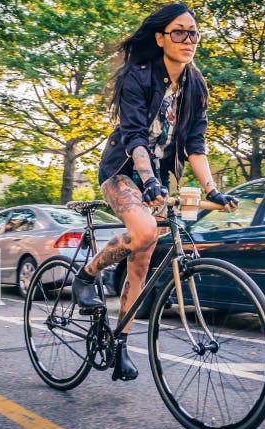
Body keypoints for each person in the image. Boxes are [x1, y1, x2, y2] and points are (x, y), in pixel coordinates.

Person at [72, 2, 238, 382]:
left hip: (158, 177)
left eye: (193, 32)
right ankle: (86, 275)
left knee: (142, 259)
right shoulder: (139, 74)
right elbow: (133, 135)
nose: (188, 39)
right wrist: (147, 180)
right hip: (122, 170)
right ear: (161, 37)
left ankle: (120, 346)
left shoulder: (196, 84)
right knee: (145, 232)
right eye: (179, 31)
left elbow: (196, 144)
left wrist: (212, 189)